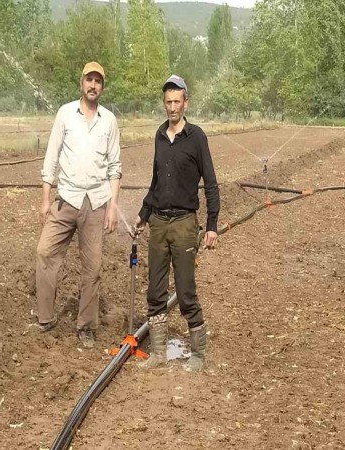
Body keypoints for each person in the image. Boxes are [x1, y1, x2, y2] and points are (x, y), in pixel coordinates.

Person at [135, 75, 220, 372]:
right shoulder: (160, 136)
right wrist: (143, 215)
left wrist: (211, 225)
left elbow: (211, 183)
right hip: (158, 223)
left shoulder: (196, 137)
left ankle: (197, 354)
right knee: (155, 291)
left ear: (186, 103)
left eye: (177, 102)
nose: (172, 107)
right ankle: (158, 352)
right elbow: (156, 182)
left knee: (185, 291)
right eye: (168, 102)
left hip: (184, 223)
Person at [35, 61, 122, 348]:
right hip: (66, 199)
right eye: (89, 80)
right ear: (81, 83)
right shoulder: (65, 114)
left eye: (98, 81)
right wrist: (45, 199)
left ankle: (86, 326)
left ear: (102, 87)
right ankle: (46, 318)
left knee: (92, 267)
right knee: (45, 252)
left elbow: (115, 167)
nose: (93, 85)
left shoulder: (109, 121)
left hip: (95, 203)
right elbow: (51, 157)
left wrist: (112, 206)